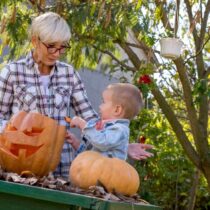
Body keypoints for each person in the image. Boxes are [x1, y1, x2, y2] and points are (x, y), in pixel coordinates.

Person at [0, 12, 153, 178]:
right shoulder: (12, 72)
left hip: (60, 167)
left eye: (63, 47)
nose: (57, 53)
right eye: (51, 46)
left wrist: (120, 144)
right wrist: (20, 135)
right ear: (35, 41)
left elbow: (90, 119)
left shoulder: (69, 74)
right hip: (18, 165)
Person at [66, 83, 143, 160]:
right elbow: (93, 152)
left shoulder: (120, 130)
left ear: (117, 110)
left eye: (103, 102)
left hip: (104, 171)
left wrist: (81, 124)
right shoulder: (105, 127)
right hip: (91, 169)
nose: (100, 106)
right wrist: (75, 142)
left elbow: (101, 142)